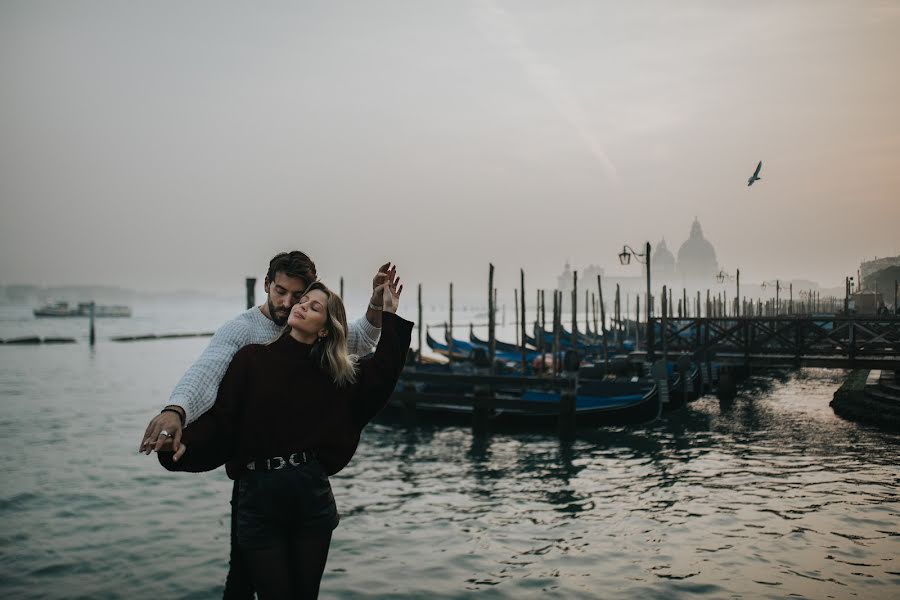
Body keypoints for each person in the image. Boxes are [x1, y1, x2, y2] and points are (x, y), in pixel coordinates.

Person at [138, 250, 398, 598]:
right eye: (280, 291)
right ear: (266, 285)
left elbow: (358, 340)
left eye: (298, 296)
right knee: (242, 577)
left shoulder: (314, 337)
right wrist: (176, 410)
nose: (288, 302)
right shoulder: (243, 333)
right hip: (254, 479)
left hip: (305, 489)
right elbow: (206, 371)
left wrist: (375, 307)